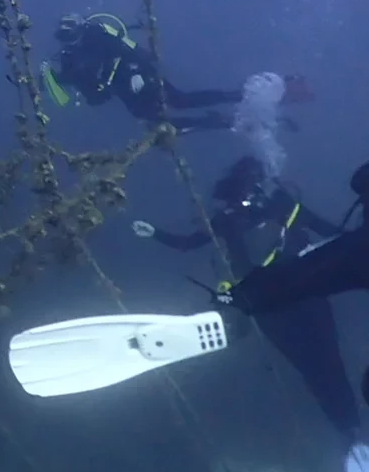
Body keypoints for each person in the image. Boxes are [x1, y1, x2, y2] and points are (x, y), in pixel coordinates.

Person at [131, 154, 357, 452]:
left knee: (321, 363)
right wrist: (156, 233)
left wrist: (156, 234)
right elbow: (335, 235)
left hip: (278, 301)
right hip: (289, 298)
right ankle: (350, 433)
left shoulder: (274, 207)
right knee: (320, 363)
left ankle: (351, 433)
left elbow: (333, 234)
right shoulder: (251, 213)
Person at [40, 12, 253, 132]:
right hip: (121, 88)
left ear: (80, 29)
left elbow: (127, 49)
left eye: (71, 34)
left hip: (138, 73)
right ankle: (218, 122)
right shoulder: (69, 57)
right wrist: (48, 79)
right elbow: (77, 86)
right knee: (152, 119)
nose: (69, 41)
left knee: (178, 100)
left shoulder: (97, 34)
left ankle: (236, 95)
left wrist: (137, 72)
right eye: (63, 37)